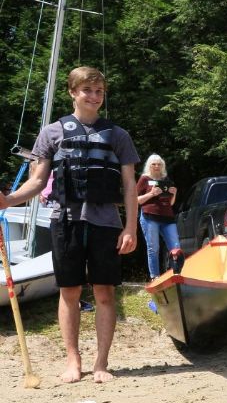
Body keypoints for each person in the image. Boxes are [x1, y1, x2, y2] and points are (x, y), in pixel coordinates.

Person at [0, 66, 139, 384]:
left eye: (99, 91)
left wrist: (130, 227)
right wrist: (8, 200)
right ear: (73, 93)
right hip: (65, 222)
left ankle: (102, 363)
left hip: (106, 224)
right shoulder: (52, 133)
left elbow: (130, 185)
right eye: (88, 90)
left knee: (104, 293)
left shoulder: (118, 135)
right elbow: (37, 181)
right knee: (70, 292)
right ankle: (73, 361)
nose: (94, 96)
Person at [136, 154, 179, 279]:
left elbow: (171, 203)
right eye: (154, 164)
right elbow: (136, 200)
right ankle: (155, 277)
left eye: (159, 164)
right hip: (150, 217)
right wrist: (151, 194)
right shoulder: (144, 179)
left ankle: (176, 274)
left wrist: (174, 194)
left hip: (167, 217)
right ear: (149, 165)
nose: (156, 166)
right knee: (154, 248)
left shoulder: (166, 179)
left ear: (162, 166)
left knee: (175, 247)